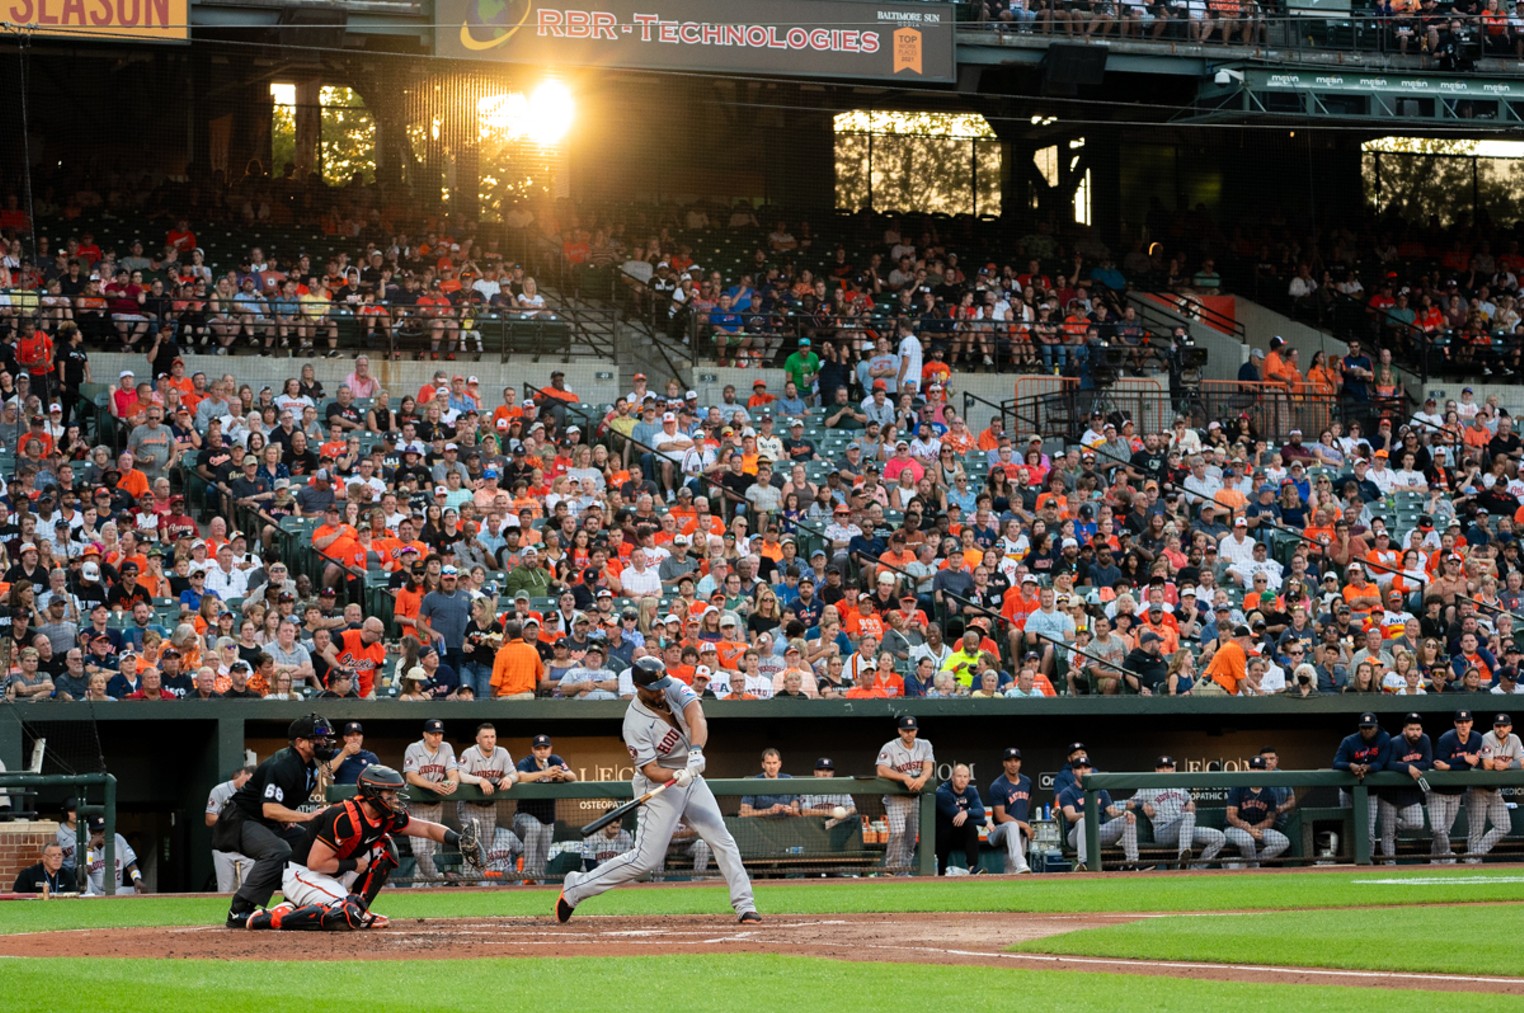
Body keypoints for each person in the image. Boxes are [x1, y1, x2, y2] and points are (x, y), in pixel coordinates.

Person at [556, 657, 758, 924]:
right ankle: (576, 887)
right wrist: (675, 774)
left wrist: (695, 751)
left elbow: (696, 714)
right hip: (661, 784)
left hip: (691, 774)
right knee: (645, 860)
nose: (661, 691)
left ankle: (745, 905)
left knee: (721, 838)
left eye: (663, 684)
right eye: (654, 688)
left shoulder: (670, 685)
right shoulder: (634, 723)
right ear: (638, 686)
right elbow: (650, 769)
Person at [245, 765, 482, 931]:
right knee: (344, 916)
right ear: (372, 793)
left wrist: (458, 840)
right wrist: (353, 865)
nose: (394, 798)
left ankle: (344, 907)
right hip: (303, 874)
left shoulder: (386, 814)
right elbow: (316, 863)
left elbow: (427, 829)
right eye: (389, 793)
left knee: (386, 848)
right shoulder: (344, 816)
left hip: (333, 873)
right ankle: (273, 918)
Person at [216, 714, 338, 928]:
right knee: (278, 851)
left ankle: (296, 903)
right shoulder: (283, 763)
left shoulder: (308, 765)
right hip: (240, 819)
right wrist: (306, 816)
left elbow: (278, 806)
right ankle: (239, 910)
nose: (324, 742)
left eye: (325, 738)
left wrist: (288, 817)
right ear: (299, 742)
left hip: (264, 820)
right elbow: (270, 808)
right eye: (317, 738)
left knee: (310, 843)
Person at [1136, 755, 1225, 867]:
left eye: (1168, 768)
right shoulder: (1147, 787)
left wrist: (1190, 803)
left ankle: (1195, 869)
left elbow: (1189, 800)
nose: (1165, 771)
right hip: (1163, 832)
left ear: (1173, 769)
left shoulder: (1179, 787)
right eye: (1161, 768)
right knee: (1188, 816)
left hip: (1185, 831)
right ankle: (1182, 860)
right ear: (1156, 770)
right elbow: (1129, 802)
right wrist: (1142, 804)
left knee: (1219, 838)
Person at [455, 722, 517, 882]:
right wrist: (480, 780)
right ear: (478, 739)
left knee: (486, 847)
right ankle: (470, 880)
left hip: (489, 807)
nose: (490, 740)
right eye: (485, 737)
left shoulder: (502, 753)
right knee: (471, 844)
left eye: (492, 736)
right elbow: (460, 774)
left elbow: (514, 773)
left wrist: (509, 778)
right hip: (470, 805)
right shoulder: (469, 753)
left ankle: (479, 881)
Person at [875, 715, 935, 874]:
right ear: (899, 731)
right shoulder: (889, 747)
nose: (909, 733)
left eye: (912, 730)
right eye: (906, 730)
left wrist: (922, 778)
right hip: (896, 797)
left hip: (915, 798)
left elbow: (928, 767)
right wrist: (904, 777)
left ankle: (903, 872)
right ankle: (891, 869)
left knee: (910, 839)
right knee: (898, 831)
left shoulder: (925, 745)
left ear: (916, 730)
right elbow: (881, 770)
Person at [402, 718, 459, 884]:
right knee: (420, 851)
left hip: (436, 805)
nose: (437, 738)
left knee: (429, 850)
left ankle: (420, 887)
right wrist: (433, 786)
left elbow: (453, 772)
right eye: (433, 734)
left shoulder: (446, 747)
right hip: (417, 806)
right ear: (425, 735)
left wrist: (454, 782)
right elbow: (411, 777)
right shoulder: (414, 748)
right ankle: (437, 880)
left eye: (440, 734)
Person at [515, 733, 577, 884]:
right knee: (533, 827)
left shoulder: (555, 760)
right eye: (538, 748)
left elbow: (573, 777)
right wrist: (545, 773)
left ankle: (536, 884)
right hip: (523, 817)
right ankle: (528, 873)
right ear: (533, 750)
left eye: (545, 747)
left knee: (542, 858)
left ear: (550, 749)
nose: (542, 751)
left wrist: (561, 774)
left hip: (547, 819)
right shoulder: (527, 762)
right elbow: (520, 776)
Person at [1332, 711, 1392, 856]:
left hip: (1370, 792)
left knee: (1368, 830)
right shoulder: (1349, 741)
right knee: (1348, 826)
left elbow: (1381, 763)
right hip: (1348, 790)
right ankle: (1349, 858)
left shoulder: (1384, 738)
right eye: (1364, 728)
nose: (1367, 731)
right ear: (1359, 727)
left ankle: (1368, 861)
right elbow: (1336, 763)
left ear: (1376, 727)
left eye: (1370, 727)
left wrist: (1367, 768)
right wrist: (1351, 766)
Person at [1430, 708, 1483, 863]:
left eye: (1466, 722)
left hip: (1456, 791)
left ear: (1471, 723)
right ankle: (1447, 856)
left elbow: (1471, 764)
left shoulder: (1476, 738)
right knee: (1437, 829)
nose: (1463, 725)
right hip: (1438, 791)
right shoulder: (1447, 739)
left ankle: (1435, 860)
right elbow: (1439, 764)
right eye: (1460, 722)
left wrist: (1452, 765)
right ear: (1455, 723)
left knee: (1444, 831)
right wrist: (1464, 759)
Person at [1469, 712, 1523, 861]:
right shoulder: (1487, 737)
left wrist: (1507, 765)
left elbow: (1523, 762)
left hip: (1494, 790)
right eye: (1498, 726)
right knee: (1476, 831)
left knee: (1504, 826)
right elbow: (1487, 765)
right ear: (1494, 727)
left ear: (1510, 728)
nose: (1501, 729)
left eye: (1504, 726)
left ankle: (1472, 856)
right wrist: (1511, 764)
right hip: (1477, 789)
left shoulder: (1515, 739)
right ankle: (1473, 863)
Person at [1378, 713, 1432, 863]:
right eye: (1411, 729)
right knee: (1387, 834)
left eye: (1418, 729)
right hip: (1389, 795)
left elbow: (1428, 763)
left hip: (1409, 795)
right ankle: (1390, 865)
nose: (1415, 733)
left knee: (1417, 823)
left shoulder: (1425, 740)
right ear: (1404, 730)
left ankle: (1395, 824)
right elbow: (1388, 764)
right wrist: (1408, 768)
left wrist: (1409, 766)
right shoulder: (1395, 742)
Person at [1223, 756, 1291, 867]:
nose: (1255, 771)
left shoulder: (1270, 792)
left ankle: (1251, 864)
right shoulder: (1238, 788)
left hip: (1259, 828)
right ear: (1248, 770)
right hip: (1234, 828)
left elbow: (1270, 819)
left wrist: (1254, 829)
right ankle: (1254, 868)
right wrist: (1249, 830)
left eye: (1259, 768)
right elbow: (1231, 816)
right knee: (1247, 840)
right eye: (1253, 768)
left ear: (1265, 771)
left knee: (1282, 842)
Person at [205, 764, 256, 893]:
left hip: (247, 845)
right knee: (225, 890)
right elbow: (209, 819)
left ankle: (246, 913)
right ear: (243, 773)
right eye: (248, 779)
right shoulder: (220, 790)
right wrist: (230, 819)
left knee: (249, 890)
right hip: (224, 843)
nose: (249, 783)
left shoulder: (255, 792)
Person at [986, 747, 1033, 875]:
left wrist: (1023, 826)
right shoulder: (998, 785)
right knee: (1011, 826)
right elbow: (1000, 817)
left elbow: (1027, 804)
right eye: (1009, 761)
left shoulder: (1027, 782)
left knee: (1013, 870)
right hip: (999, 831)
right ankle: (1021, 863)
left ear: (1020, 763)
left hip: (1020, 831)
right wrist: (1024, 824)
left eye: (1016, 760)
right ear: (1004, 763)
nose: (1013, 764)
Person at [934, 763, 986, 876]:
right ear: (952, 778)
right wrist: (984, 823)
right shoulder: (942, 792)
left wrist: (966, 813)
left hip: (960, 833)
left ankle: (973, 868)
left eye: (965, 777)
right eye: (959, 776)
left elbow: (981, 812)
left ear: (968, 779)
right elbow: (954, 817)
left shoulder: (971, 791)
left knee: (970, 828)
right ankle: (940, 872)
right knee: (947, 828)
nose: (962, 780)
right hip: (942, 834)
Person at [83, 815, 147, 895]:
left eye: (104, 830)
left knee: (139, 890)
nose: (103, 834)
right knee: (86, 878)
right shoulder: (84, 844)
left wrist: (137, 879)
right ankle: (90, 905)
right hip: (94, 891)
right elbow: (85, 872)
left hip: (116, 890)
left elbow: (131, 864)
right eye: (99, 831)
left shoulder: (118, 839)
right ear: (90, 831)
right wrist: (90, 848)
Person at [738, 748, 800, 818]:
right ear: (763, 765)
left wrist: (790, 811)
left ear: (780, 764)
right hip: (760, 826)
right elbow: (744, 813)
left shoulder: (789, 780)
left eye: (774, 763)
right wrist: (769, 811)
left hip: (786, 825)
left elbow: (797, 812)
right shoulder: (753, 783)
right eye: (768, 763)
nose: (772, 767)